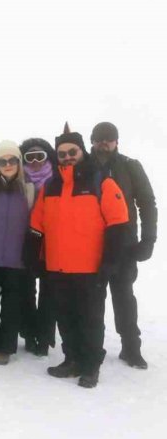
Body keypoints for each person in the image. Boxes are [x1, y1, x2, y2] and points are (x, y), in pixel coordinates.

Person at [29, 124, 129, 388]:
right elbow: (37, 226)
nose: (67, 157)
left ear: (82, 151)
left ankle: (91, 366)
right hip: (57, 268)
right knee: (65, 317)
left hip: (90, 268)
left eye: (72, 152)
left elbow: (119, 224)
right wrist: (35, 259)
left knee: (90, 319)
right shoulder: (50, 186)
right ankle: (72, 359)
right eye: (62, 154)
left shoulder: (101, 182)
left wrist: (110, 262)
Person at [90, 122, 157, 369]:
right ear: (92, 141)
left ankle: (131, 348)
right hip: (91, 246)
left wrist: (148, 239)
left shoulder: (130, 166)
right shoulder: (84, 166)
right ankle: (92, 348)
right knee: (92, 300)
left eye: (109, 138)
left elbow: (147, 203)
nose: (103, 143)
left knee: (124, 298)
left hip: (124, 246)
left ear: (117, 141)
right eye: (99, 138)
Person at [0, 141, 36, 365]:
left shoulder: (29, 189)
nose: (8, 164)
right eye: (2, 161)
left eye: (12, 160)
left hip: (16, 258)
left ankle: (6, 347)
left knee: (12, 306)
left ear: (19, 162)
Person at [19, 137, 58, 356]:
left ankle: (44, 336)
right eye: (30, 157)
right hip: (25, 241)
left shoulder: (57, 180)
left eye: (40, 156)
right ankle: (28, 333)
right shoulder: (18, 180)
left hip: (52, 242)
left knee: (49, 293)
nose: (34, 161)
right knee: (26, 290)